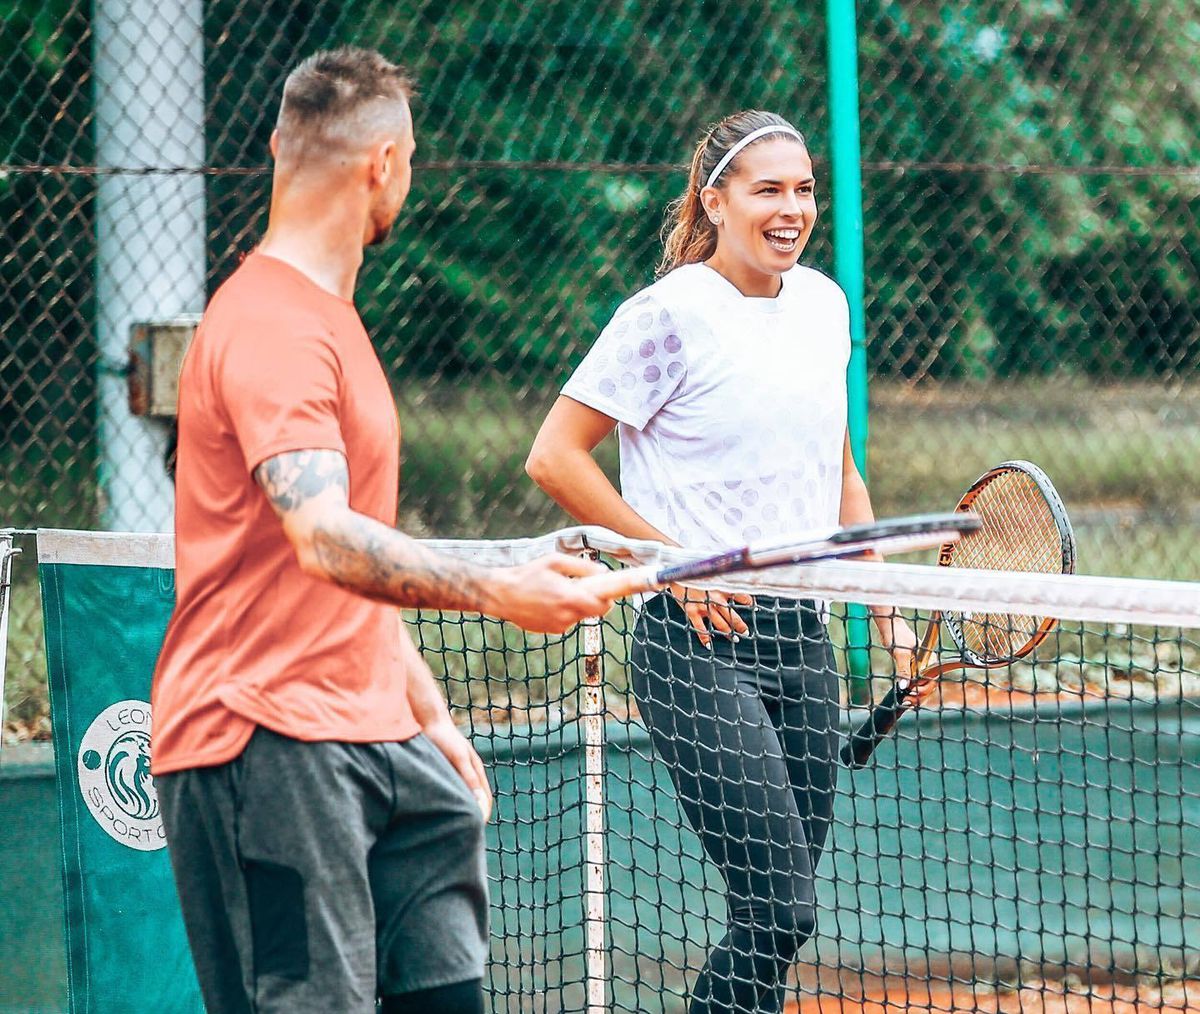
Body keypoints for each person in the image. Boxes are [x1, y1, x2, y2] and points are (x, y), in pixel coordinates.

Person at [151, 47, 616, 1014]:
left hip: (378, 743)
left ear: (281, 145)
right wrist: (501, 587)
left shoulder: (333, 321)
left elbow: (349, 556)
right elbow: (323, 538)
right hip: (263, 747)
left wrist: (427, 715)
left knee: (446, 990)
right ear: (386, 165)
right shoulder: (272, 327)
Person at [526, 110, 926, 1013]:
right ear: (715, 201)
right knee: (783, 910)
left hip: (804, 639)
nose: (792, 210)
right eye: (768, 190)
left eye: (804, 191)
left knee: (772, 920)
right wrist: (674, 566)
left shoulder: (825, 306)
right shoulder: (665, 317)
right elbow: (554, 455)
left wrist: (886, 609)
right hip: (695, 643)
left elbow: (839, 470)